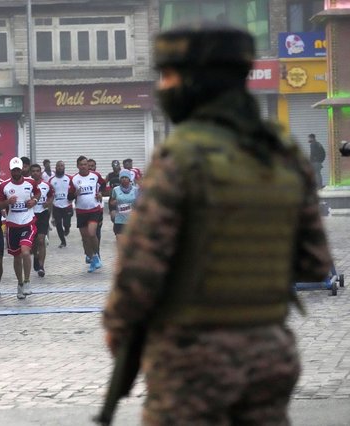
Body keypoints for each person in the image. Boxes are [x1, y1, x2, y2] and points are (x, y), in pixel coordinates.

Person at [103, 24, 333, 425]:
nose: (164, 87)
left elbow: (139, 276)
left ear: (198, 81)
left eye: (170, 76)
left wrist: (121, 334)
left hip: (194, 361)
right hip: (270, 355)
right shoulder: (283, 151)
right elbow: (314, 264)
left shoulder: (180, 156)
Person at [0, 157, 40, 299]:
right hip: (12, 225)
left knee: (25, 252)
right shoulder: (4, 186)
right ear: (10, 170)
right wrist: (7, 202)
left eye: (18, 169)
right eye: (13, 170)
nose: (16, 172)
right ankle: (20, 283)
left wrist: (34, 200)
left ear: (22, 169)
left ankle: (27, 281)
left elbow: (38, 193)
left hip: (28, 223)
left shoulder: (30, 182)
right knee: (16, 257)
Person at [69, 155, 105, 273]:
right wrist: (75, 194)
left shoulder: (95, 176)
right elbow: (69, 197)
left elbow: (103, 185)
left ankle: (96, 255)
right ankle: (92, 258)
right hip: (81, 211)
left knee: (91, 233)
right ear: (78, 166)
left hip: (94, 209)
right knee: (85, 238)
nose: (84, 166)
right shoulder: (74, 179)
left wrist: (100, 193)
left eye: (85, 164)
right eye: (81, 164)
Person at [30, 163, 54, 277]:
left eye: (37, 171)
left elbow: (51, 196)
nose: (35, 173)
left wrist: (48, 203)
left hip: (43, 214)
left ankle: (41, 266)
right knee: (34, 242)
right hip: (31, 215)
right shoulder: (27, 185)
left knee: (41, 240)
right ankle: (35, 255)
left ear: (40, 172)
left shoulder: (46, 185)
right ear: (31, 173)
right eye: (33, 171)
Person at [108, 170, 139, 246]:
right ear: (119, 179)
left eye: (126, 177)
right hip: (119, 220)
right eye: (122, 177)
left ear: (129, 179)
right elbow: (111, 202)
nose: (124, 179)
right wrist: (113, 207)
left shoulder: (135, 190)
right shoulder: (116, 190)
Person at [49, 160, 73, 249]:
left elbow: (74, 190)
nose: (60, 167)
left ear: (64, 167)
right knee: (58, 224)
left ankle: (67, 229)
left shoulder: (69, 178)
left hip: (67, 205)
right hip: (56, 206)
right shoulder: (51, 180)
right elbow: (49, 193)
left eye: (62, 166)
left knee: (66, 224)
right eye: (58, 166)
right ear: (55, 168)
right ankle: (63, 241)